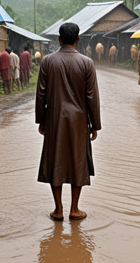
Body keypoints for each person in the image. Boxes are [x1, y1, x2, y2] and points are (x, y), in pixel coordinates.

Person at [36, 22, 101, 221]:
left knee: (55, 159)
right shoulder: (87, 63)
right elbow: (92, 97)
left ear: (59, 39)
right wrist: (94, 124)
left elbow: (41, 94)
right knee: (77, 160)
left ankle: (58, 209)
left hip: (55, 118)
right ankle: (75, 208)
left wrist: (41, 120)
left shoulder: (47, 61)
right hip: (80, 120)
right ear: (78, 39)